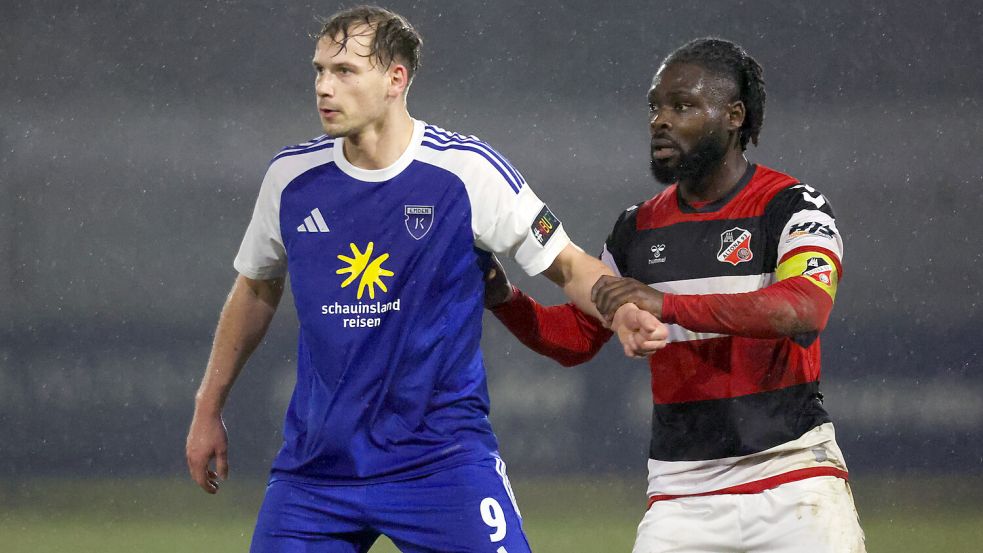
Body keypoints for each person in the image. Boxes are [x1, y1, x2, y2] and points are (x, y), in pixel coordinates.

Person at [184, 6, 659, 552]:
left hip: (440, 463)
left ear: (395, 79)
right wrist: (207, 407)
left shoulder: (467, 172)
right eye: (319, 71)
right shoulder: (290, 178)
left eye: (344, 71)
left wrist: (619, 307)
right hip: (317, 470)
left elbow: (569, 263)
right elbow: (255, 288)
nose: (323, 87)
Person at [485, 38, 866, 552]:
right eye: (655, 107)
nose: (660, 121)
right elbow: (577, 339)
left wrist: (666, 304)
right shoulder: (637, 227)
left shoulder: (791, 205)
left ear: (734, 116)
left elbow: (804, 307)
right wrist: (505, 298)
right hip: (681, 496)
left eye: (682, 106)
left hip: (792, 480)